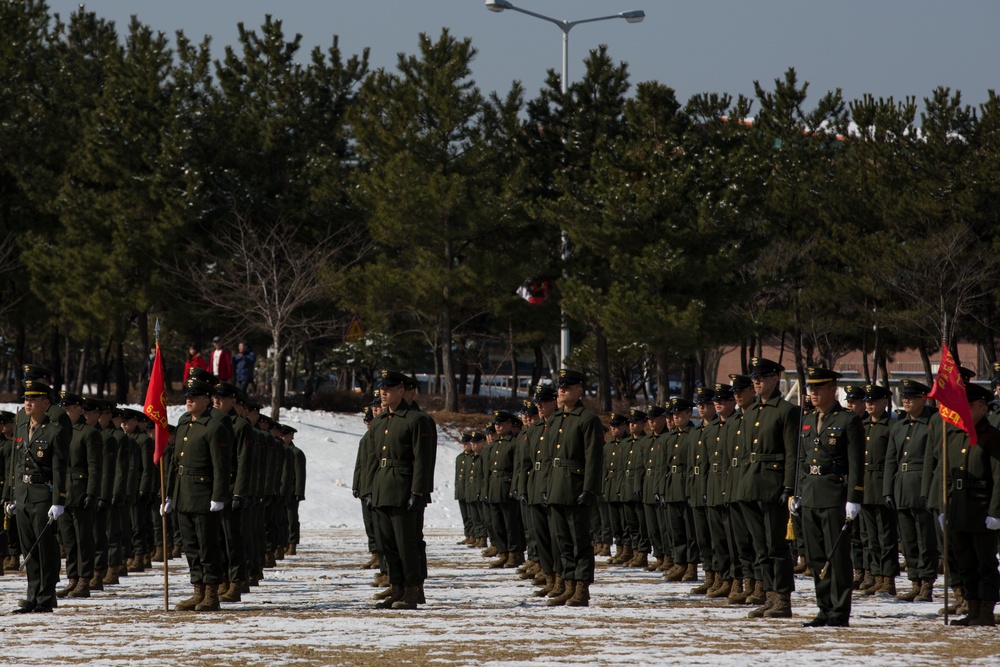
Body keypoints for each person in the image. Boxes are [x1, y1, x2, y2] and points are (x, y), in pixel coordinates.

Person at [795, 367, 864, 628]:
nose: (813, 392)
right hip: (811, 493)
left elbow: (856, 463)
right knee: (816, 557)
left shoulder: (848, 420)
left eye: (818, 388)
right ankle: (823, 608)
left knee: (837, 557)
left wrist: (854, 496)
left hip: (835, 494)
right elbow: (802, 459)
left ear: (832, 389)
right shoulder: (808, 419)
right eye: (810, 388)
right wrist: (798, 491)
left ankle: (839, 611)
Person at [928, 382, 1000, 626]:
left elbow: (999, 476)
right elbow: (944, 476)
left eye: (968, 405)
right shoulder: (953, 433)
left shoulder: (991, 437)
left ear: (981, 407)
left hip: (981, 509)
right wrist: (943, 507)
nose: (963, 410)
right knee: (965, 562)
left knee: (985, 563)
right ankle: (972, 608)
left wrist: (995, 512)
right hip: (958, 508)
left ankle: (986, 612)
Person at [363, 369, 436, 610]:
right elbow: (373, 459)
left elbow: (423, 460)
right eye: (382, 389)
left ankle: (413, 590)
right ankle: (397, 587)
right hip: (383, 487)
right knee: (387, 544)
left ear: (402, 391)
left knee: (407, 543)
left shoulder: (416, 420)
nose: (384, 393)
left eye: (389, 389)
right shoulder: (380, 422)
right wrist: (370, 489)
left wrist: (418, 492)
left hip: (404, 488)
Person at [736, 357, 798, 619]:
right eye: (754, 377)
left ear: (775, 379)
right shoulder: (751, 412)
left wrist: (788, 486)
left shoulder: (786, 411)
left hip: (773, 485)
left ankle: (782, 599)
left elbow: (792, 453)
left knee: (777, 546)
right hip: (751, 484)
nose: (756, 381)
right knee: (760, 547)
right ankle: (769, 596)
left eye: (761, 377)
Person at [163, 377, 232, 612]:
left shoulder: (214, 427)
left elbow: (221, 466)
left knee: (207, 546)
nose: (189, 400)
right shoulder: (184, 425)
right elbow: (174, 463)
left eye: (194, 397)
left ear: (207, 400)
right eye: (187, 397)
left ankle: (211, 592)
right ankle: (198, 590)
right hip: (183, 493)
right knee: (191, 547)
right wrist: (170, 495)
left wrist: (218, 496)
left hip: (203, 494)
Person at [542, 369, 604, 607]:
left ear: (579, 390)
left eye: (567, 386)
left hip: (576, 486)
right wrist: (546, 486)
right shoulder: (556, 419)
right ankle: (568, 585)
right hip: (557, 485)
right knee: (562, 541)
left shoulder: (587, 419)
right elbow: (548, 458)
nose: (561, 390)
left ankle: (581, 588)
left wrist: (589, 490)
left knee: (579, 541)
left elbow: (594, 459)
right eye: (560, 386)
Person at [7, 379, 69, 613]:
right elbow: (16, 465)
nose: (28, 402)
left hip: (43, 494)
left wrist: (58, 501)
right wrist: (13, 495)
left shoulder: (55, 431)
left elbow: (59, 468)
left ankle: (46, 597)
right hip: (23, 494)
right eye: (26, 398)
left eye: (33, 399)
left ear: (46, 402)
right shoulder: (21, 428)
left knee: (45, 549)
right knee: (29, 548)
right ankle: (32, 595)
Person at [884, 379, 938, 602]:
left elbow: (933, 460)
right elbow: (890, 460)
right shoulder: (899, 426)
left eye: (911, 398)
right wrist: (888, 490)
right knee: (907, 539)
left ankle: (927, 583)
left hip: (922, 485)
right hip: (902, 485)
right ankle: (914, 581)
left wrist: (929, 491)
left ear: (923, 399)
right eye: (904, 397)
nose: (906, 401)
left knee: (926, 538)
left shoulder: (932, 423)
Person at [56, 392, 103, 599]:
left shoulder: (88, 433)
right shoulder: (60, 431)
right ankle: (72, 578)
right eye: (63, 409)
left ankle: (85, 579)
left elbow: (95, 467)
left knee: (83, 539)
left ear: (79, 409)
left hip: (81, 490)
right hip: (64, 492)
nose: (65, 412)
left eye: (69, 409)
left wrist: (92, 492)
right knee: (68, 540)